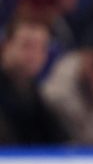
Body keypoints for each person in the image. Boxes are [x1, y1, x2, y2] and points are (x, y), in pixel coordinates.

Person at [0, 16, 68, 144]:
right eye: (27, 46)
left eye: (41, 47)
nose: (34, 55)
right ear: (4, 47)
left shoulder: (33, 93)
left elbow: (60, 140)